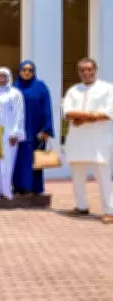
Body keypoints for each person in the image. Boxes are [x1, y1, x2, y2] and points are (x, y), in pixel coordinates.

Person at [62, 58, 113, 224]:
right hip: (77, 140)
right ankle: (81, 206)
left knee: (103, 177)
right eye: (82, 70)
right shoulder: (73, 90)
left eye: (89, 69)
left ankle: (109, 210)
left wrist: (84, 117)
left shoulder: (108, 88)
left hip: (99, 140)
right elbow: (67, 112)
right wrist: (90, 116)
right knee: (77, 176)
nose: (86, 72)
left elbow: (108, 113)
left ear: (95, 70)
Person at [12, 60, 54, 195]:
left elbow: (47, 108)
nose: (27, 72)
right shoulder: (14, 87)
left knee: (35, 159)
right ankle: (19, 187)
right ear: (19, 71)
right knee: (19, 159)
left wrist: (47, 129)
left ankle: (35, 188)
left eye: (30, 70)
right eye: (24, 69)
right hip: (18, 129)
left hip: (36, 129)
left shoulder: (41, 87)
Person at [0, 67, 25, 200]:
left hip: (9, 132)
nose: (2, 79)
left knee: (7, 162)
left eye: (4, 76)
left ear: (9, 77)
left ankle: (5, 191)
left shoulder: (15, 93)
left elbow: (19, 114)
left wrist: (16, 133)